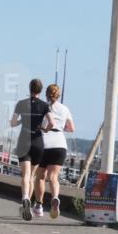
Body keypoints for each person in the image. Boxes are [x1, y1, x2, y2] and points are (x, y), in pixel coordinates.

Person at [11, 78, 50, 221]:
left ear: (29, 89)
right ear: (40, 90)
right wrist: (45, 128)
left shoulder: (21, 104)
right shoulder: (45, 105)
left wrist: (22, 120)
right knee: (33, 176)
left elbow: (13, 123)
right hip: (38, 141)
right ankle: (29, 201)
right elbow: (51, 122)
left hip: (23, 140)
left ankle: (25, 197)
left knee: (25, 175)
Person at [35, 84, 75, 219]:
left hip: (45, 143)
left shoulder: (42, 107)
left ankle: (39, 206)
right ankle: (55, 198)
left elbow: (36, 125)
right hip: (60, 144)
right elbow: (71, 128)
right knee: (53, 177)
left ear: (46, 94)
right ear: (58, 95)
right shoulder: (65, 109)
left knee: (40, 176)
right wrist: (61, 127)